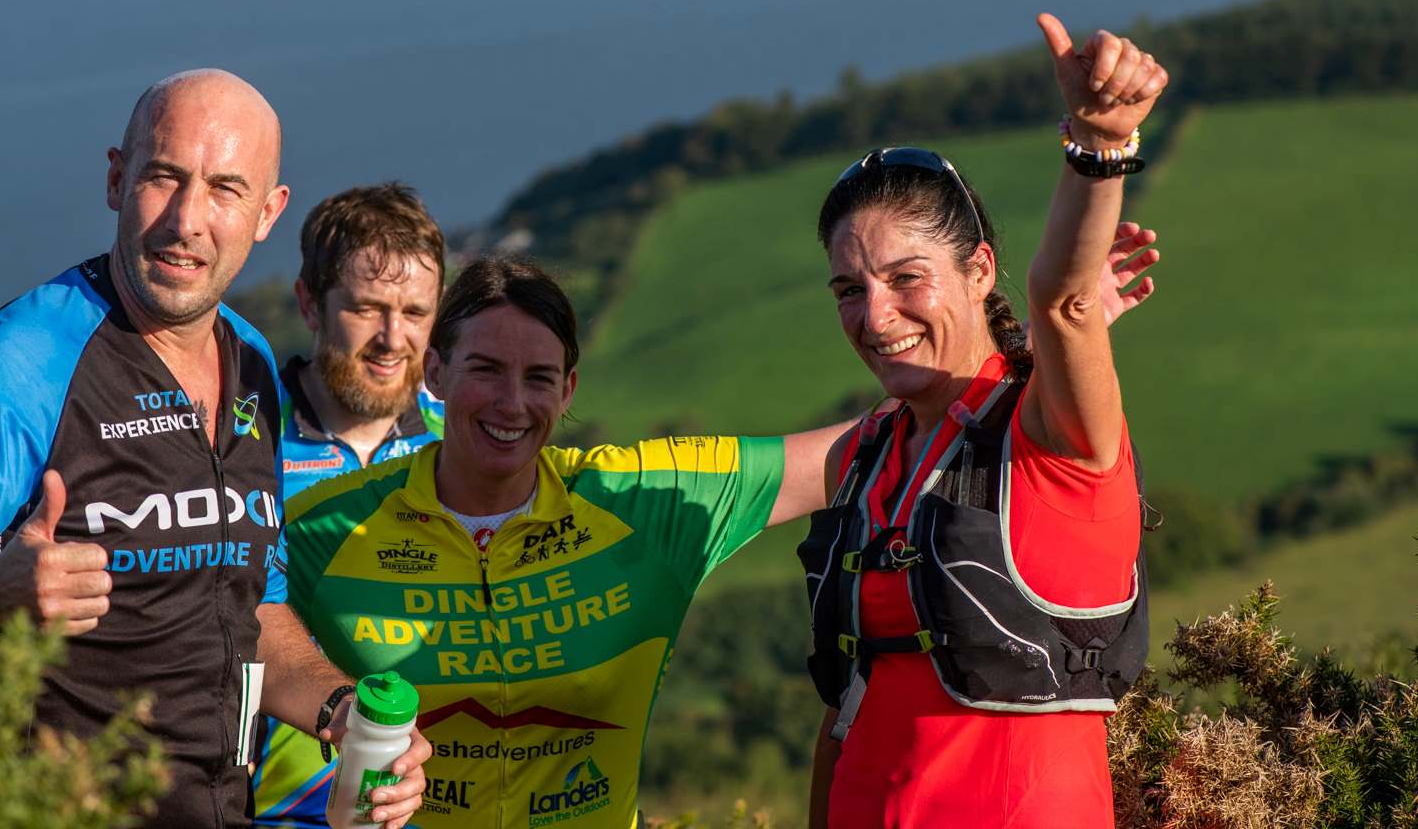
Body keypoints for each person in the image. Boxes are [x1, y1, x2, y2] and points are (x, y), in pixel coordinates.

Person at [280, 225, 1158, 828]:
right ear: (435, 371)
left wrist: (1055, 362)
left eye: (540, 377)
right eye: (484, 370)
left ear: (571, 392)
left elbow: (889, 435)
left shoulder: (645, 502)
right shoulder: (325, 522)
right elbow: (232, 617)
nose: (512, 404)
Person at [0, 70, 431, 829]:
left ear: (267, 213)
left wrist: (340, 708)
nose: (187, 220)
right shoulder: (23, 362)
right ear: (117, 178)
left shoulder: (250, 359)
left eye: (225, 189)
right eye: (163, 177)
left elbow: (257, 606)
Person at [801, 15, 1168, 828]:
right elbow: (845, 707)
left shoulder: (1051, 437)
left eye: (906, 278)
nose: (875, 314)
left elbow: (1066, 303)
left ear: (979, 271)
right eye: (848, 291)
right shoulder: (861, 459)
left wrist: (1100, 149)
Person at [253, 183, 450, 827]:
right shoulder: (243, 439)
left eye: (416, 313)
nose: (394, 339)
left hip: (436, 795)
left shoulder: (463, 434)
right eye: (368, 309)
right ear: (309, 303)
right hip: (276, 803)